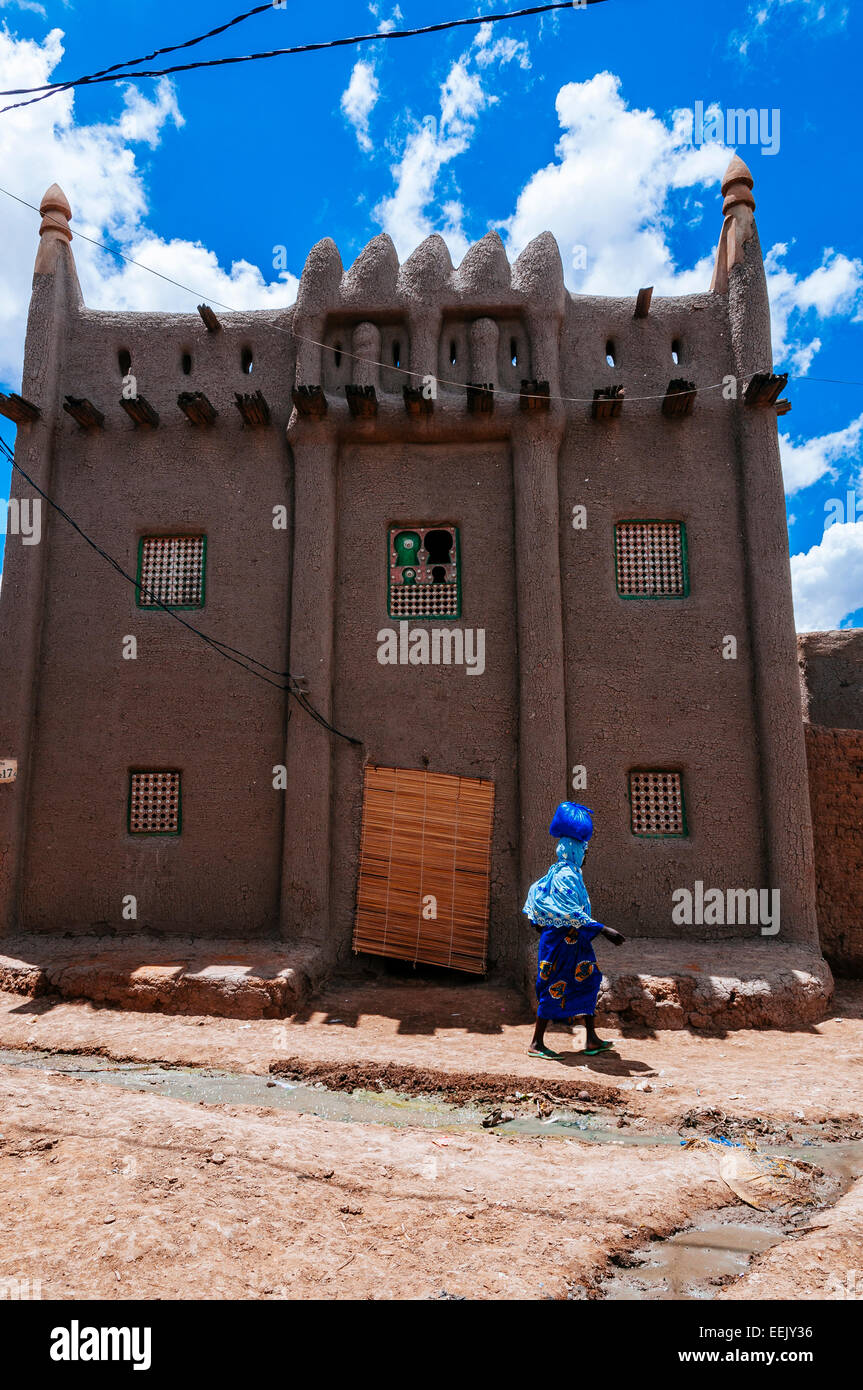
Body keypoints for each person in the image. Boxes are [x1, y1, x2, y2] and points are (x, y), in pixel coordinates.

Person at [522, 801, 625, 1059]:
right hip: (559, 945)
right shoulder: (565, 875)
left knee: (589, 981)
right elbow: (570, 912)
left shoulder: (566, 872)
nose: (586, 854)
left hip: (574, 943)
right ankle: (536, 1043)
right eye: (584, 849)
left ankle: (590, 1039)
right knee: (551, 987)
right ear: (574, 849)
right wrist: (604, 930)